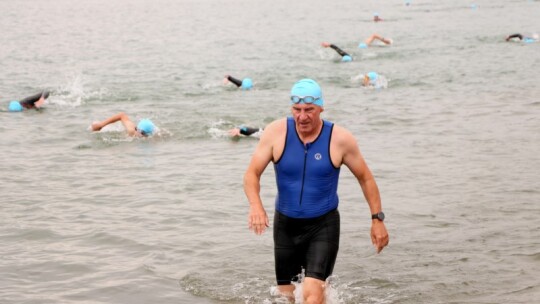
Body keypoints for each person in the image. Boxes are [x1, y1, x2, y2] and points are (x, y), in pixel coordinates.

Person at [243, 79, 389, 303]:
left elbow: (366, 178)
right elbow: (251, 173)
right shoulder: (276, 132)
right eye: (297, 110)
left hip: (323, 226)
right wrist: (256, 205)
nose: (302, 116)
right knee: (285, 297)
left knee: (313, 295)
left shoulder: (339, 139)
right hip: (285, 227)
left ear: (321, 107)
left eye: (309, 110)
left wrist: (377, 219)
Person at [90, 112, 156, 137]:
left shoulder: (151, 136)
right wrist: (101, 125)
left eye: (143, 134)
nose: (139, 134)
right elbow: (122, 115)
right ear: (136, 129)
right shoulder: (131, 130)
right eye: (138, 131)